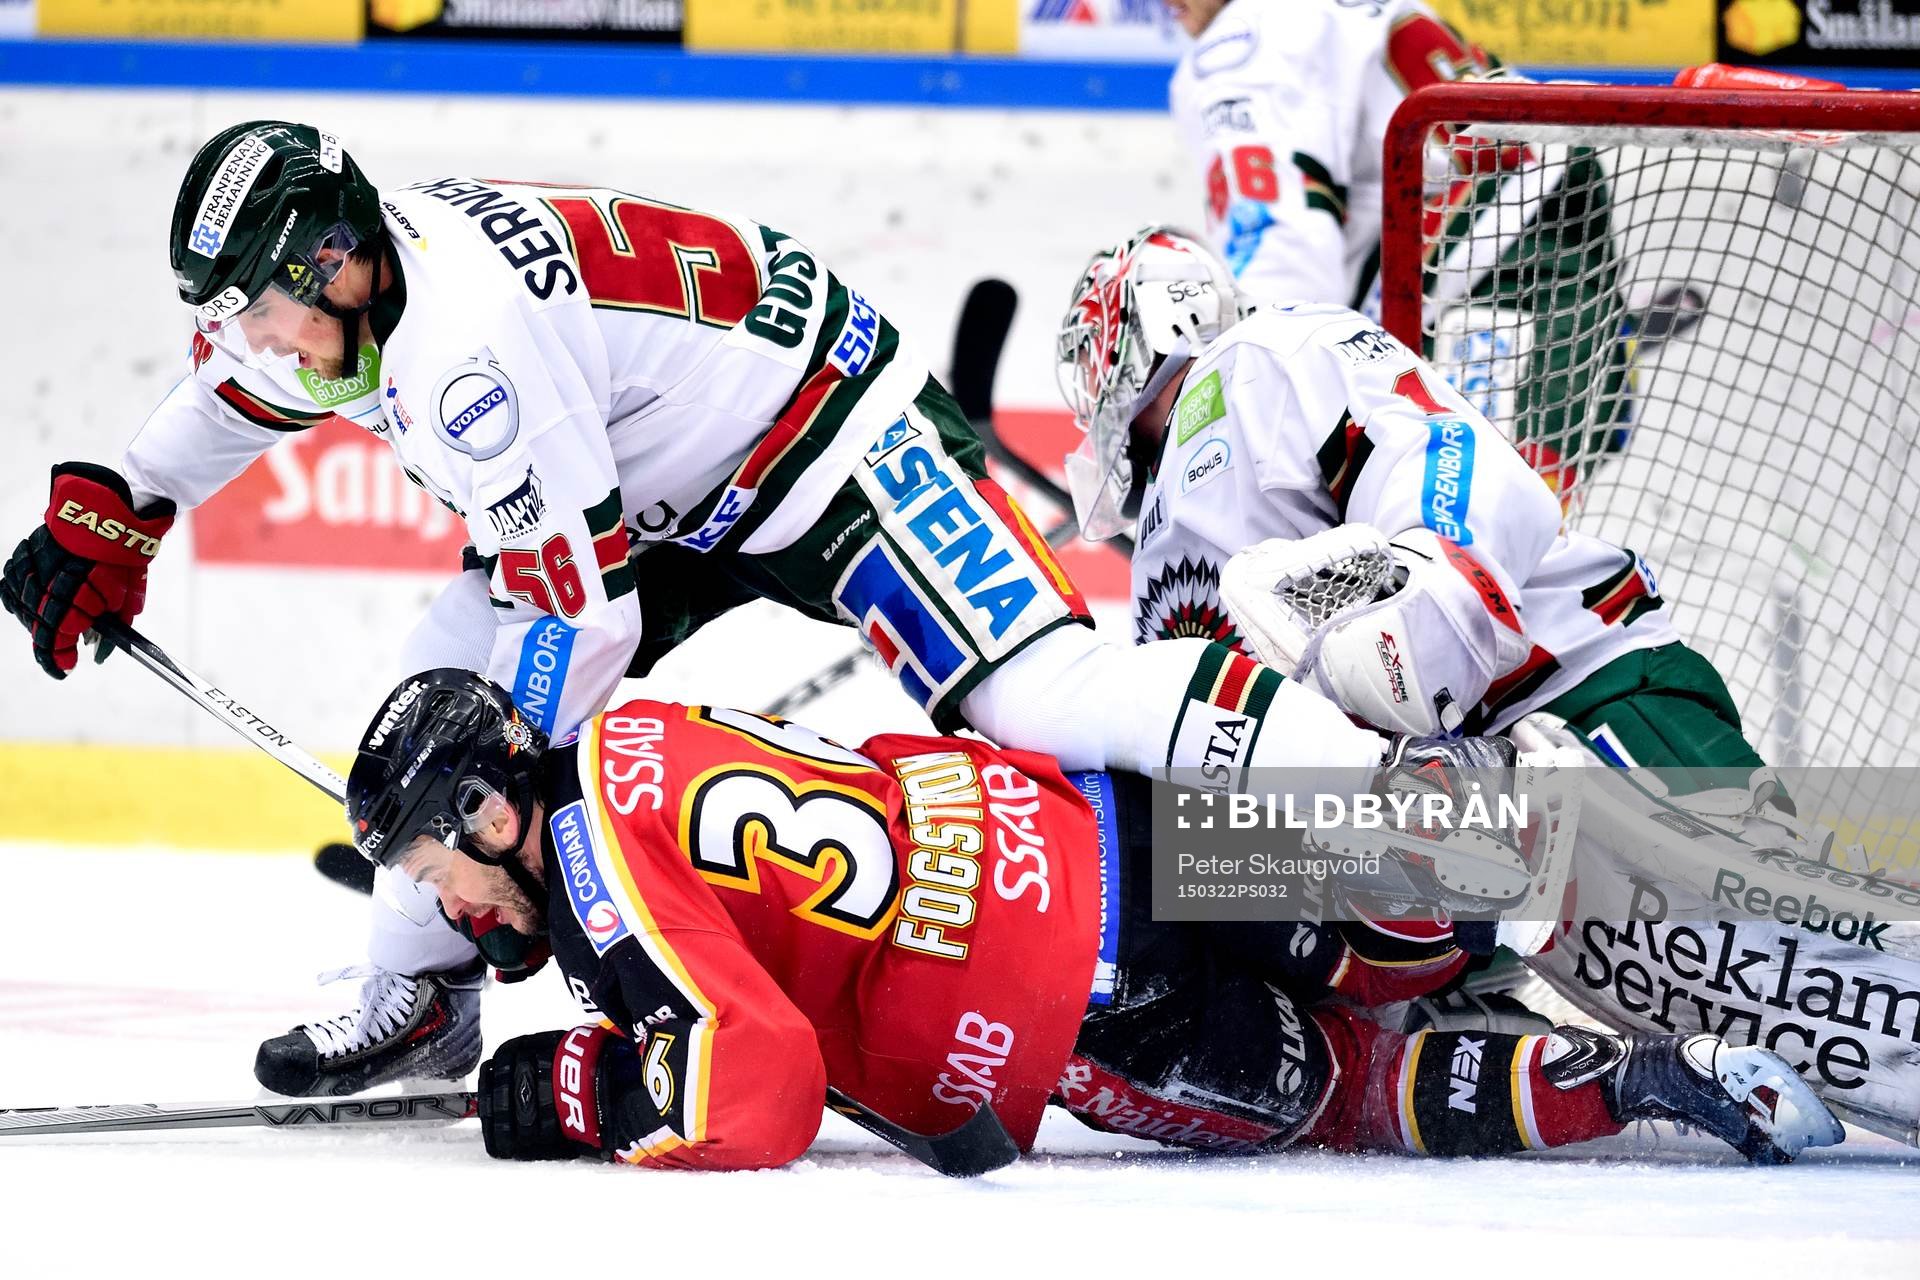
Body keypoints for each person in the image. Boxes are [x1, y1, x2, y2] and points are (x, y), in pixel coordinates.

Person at [0, 122, 1423, 1100]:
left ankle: (1393, 803)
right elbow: (223, 397)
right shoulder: (341, 307)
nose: (248, 338)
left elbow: (585, 617)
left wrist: (507, 791)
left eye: (261, 305)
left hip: (833, 443)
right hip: (665, 480)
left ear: (328, 262)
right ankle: (419, 990)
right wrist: (117, 502)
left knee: (1030, 694)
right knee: (448, 674)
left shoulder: (463, 359)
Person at [343, 666, 1841, 1169]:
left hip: (1065, 1003)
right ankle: (1739, 903)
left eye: (431, 866)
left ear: (486, 811)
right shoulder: (638, 732)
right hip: (1086, 827)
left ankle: (1647, 1082)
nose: (446, 904)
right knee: (1426, 914)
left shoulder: (595, 881)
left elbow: (769, 1084)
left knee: (1353, 1088)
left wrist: (589, 1088)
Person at [1056, 228, 1766, 786]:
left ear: (1158, 313)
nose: (1092, 387)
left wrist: (1428, 615)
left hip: (1575, 698)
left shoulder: (1263, 356)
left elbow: (1440, 451)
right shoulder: (1165, 513)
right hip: (1464, 792)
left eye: (1094, 351)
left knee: (1810, 955)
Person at [1164, 0, 1670, 504]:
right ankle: (1587, 343)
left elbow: (1281, 241)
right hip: (1561, 187)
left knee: (1470, 512)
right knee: (1523, 503)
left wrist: (1251, 403)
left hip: (1492, 242)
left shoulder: (1239, 46)